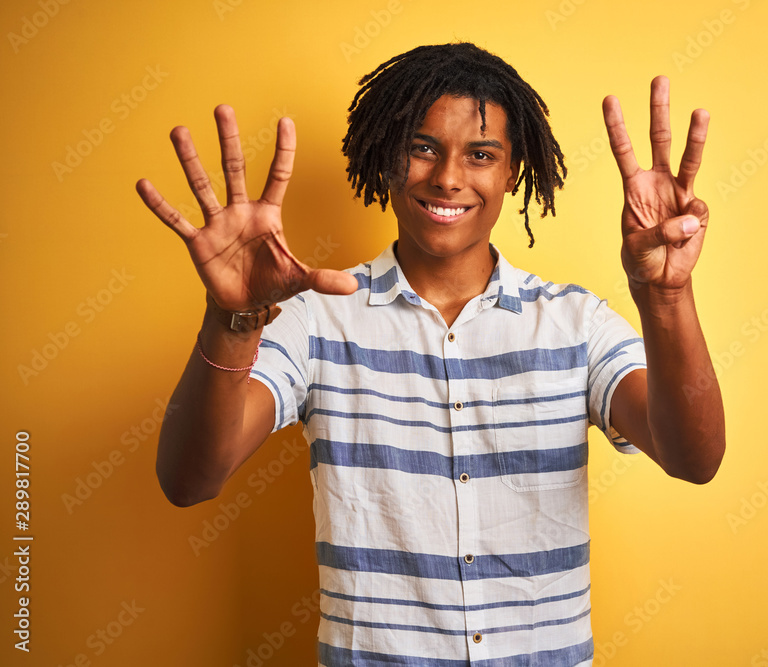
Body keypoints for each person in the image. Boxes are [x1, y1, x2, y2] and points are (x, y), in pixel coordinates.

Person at [136, 42, 724, 666]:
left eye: (480, 154)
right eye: (422, 147)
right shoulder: (317, 318)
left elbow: (693, 458)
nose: (447, 177)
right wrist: (231, 317)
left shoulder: (576, 323)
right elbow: (189, 479)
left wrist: (666, 295)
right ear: (387, 158)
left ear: (512, 172)